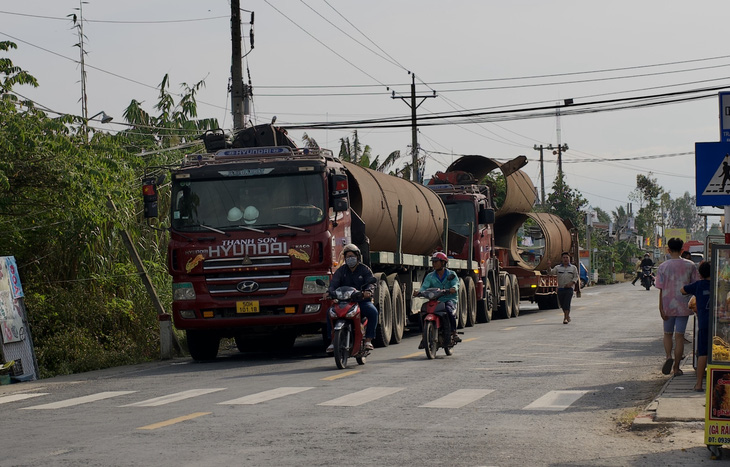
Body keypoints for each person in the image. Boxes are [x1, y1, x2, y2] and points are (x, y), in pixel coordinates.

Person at [655, 237, 701, 377]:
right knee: (679, 337)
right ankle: (676, 368)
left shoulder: (663, 267)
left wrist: (660, 308)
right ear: (682, 250)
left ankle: (668, 357)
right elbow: (695, 286)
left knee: (667, 334)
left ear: (668, 250)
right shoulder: (690, 265)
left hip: (667, 305)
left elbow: (661, 289)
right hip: (684, 306)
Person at [325, 244, 378, 353]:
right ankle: (332, 341)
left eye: (352, 256)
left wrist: (368, 291)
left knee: (373, 312)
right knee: (329, 313)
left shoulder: (365, 269)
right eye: (347, 257)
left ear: (358, 257)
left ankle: (368, 340)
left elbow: (371, 283)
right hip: (344, 302)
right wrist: (328, 292)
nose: (350, 259)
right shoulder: (341, 271)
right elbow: (334, 284)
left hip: (361, 302)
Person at [414, 251, 461, 346]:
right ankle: (424, 336)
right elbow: (424, 286)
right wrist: (419, 292)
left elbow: (456, 283)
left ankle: (454, 333)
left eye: (436, 262)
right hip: (435, 300)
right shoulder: (430, 276)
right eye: (433, 262)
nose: (434, 264)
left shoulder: (451, 274)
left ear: (443, 263)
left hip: (449, 299)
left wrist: (453, 289)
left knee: (449, 310)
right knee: (422, 312)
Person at [681, 261, 711, 392]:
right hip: (720, 323)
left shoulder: (698, 285)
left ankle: (699, 384)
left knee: (703, 353)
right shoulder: (720, 284)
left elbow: (682, 290)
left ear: (700, 274)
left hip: (704, 323)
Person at [548, 252, 579, 324]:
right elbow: (551, 273)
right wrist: (549, 267)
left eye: (567, 258)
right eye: (564, 258)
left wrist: (571, 283)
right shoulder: (557, 268)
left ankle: (565, 317)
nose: (565, 259)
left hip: (569, 289)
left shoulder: (573, 268)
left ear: (569, 259)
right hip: (560, 288)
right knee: (562, 304)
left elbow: (576, 277)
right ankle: (567, 315)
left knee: (567, 303)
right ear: (561, 259)